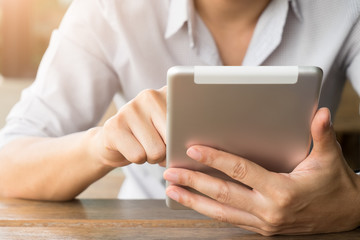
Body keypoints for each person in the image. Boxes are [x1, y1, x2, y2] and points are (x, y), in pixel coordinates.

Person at [0, 0, 360, 236]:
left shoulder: (345, 9)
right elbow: (8, 164)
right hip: (150, 230)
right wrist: (104, 144)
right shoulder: (108, 9)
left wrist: (353, 202)